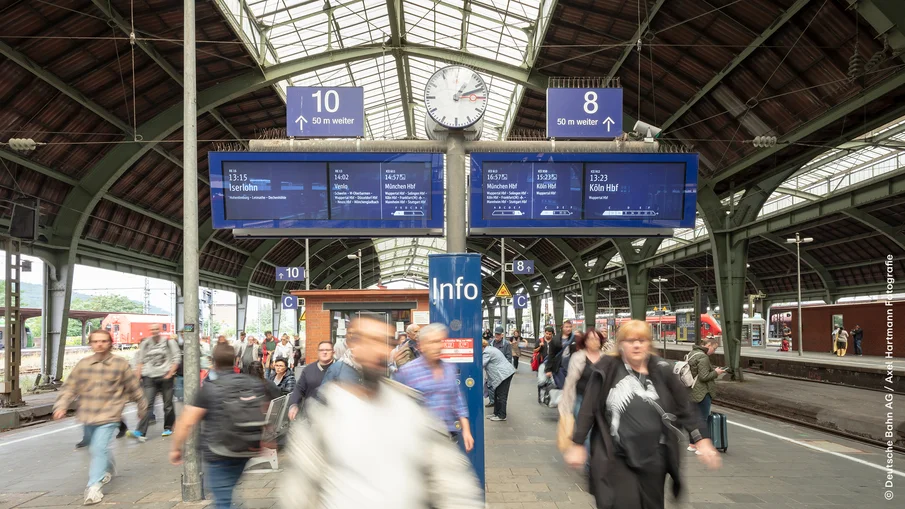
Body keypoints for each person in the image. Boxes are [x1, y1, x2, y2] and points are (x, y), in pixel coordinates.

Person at [280, 316, 483, 508]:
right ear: (354, 347)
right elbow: (299, 494)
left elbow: (450, 479)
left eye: (384, 342)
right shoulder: (325, 413)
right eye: (370, 341)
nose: (378, 350)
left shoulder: (410, 408)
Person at [563, 320, 721, 509]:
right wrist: (578, 443)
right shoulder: (607, 368)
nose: (636, 345)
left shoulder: (662, 370)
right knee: (624, 503)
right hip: (617, 455)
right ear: (621, 344)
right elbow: (588, 408)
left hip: (655, 456)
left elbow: (685, 407)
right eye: (630, 341)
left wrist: (702, 438)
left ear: (649, 344)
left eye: (642, 340)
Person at [169, 344, 280, 509]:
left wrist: (176, 449)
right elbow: (263, 412)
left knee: (222, 501)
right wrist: (266, 439)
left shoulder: (210, 388)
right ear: (236, 360)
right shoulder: (251, 383)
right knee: (225, 494)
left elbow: (186, 422)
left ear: (214, 363)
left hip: (218, 452)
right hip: (245, 449)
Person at [53, 330, 148, 505]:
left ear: (110, 343)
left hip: (110, 414)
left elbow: (134, 387)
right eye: (95, 341)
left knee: (98, 448)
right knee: (94, 446)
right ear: (91, 344)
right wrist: (61, 406)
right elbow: (69, 387)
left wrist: (142, 407)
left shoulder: (120, 364)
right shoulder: (84, 364)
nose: (99, 344)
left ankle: (94, 488)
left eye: (103, 341)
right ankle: (108, 467)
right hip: (87, 414)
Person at [395, 323, 475, 451]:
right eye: (432, 342)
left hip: (448, 438)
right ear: (421, 346)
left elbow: (458, 400)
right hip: (420, 440)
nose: (437, 346)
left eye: (440, 341)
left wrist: (466, 430)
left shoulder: (449, 368)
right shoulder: (407, 371)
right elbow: (397, 406)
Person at [128, 324, 180, 441]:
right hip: (150, 377)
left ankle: (168, 427)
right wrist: (138, 375)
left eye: (156, 329)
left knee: (167, 405)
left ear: (160, 330)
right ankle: (140, 432)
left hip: (165, 377)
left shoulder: (168, 342)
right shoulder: (146, 343)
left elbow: (176, 358)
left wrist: (170, 373)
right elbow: (140, 360)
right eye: (152, 329)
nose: (154, 331)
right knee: (147, 405)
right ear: (150, 331)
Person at [558, 328, 606, 452]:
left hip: (600, 400)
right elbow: (570, 381)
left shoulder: (606, 359)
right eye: (591, 338)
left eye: (597, 339)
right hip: (581, 399)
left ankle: (593, 459)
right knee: (586, 430)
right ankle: (589, 465)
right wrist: (565, 403)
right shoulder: (578, 357)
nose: (594, 341)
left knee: (600, 431)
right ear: (585, 341)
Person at [685, 335, 725, 454]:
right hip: (702, 392)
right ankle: (701, 447)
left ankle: (692, 444)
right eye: (714, 348)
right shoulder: (703, 357)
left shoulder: (691, 353)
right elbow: (704, 377)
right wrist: (716, 373)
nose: (714, 351)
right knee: (702, 419)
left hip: (690, 390)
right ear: (708, 346)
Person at [288, 341, 335, 420]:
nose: (324, 352)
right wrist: (294, 405)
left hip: (333, 417)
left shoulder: (340, 369)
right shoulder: (308, 370)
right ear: (317, 352)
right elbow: (299, 389)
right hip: (311, 417)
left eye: (327, 350)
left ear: (333, 352)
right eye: (321, 350)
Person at [483, 338, 516, 421]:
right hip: (503, 374)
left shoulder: (486, 352)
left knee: (501, 395)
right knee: (496, 393)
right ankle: (496, 413)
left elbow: (481, 364)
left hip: (504, 374)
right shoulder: (489, 349)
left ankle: (502, 415)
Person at [546, 320, 575, 388]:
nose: (568, 329)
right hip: (559, 368)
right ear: (562, 327)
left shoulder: (574, 338)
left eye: (570, 327)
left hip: (572, 368)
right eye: (566, 327)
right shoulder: (555, 340)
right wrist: (548, 369)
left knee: (571, 388)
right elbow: (551, 355)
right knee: (562, 388)